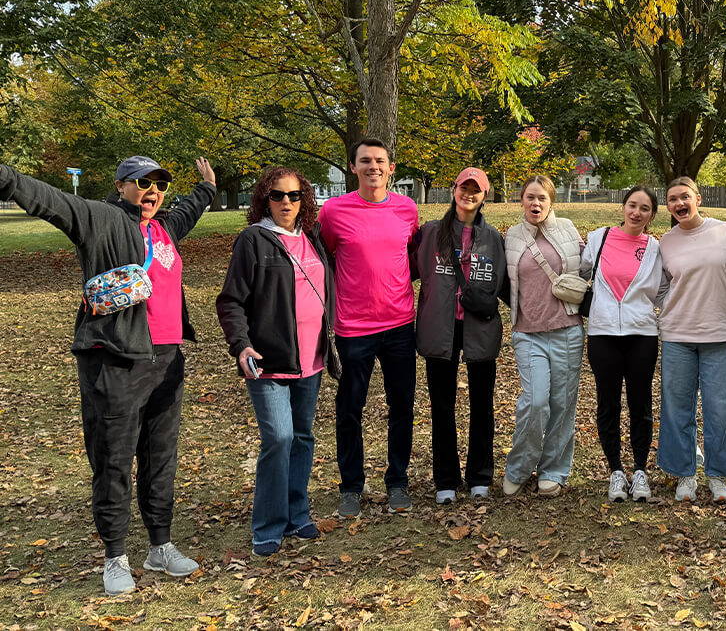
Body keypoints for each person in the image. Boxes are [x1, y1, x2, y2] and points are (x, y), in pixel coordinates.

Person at [0, 156, 215, 595]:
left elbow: (188, 210)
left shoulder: (164, 228)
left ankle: (160, 546)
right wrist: (6, 178)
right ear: (121, 186)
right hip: (116, 359)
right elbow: (48, 200)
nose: (152, 189)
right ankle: (115, 555)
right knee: (113, 459)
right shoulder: (100, 219)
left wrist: (207, 188)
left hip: (167, 360)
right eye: (142, 182)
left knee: (160, 458)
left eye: (159, 183)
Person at [217, 167, 341, 557]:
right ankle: (268, 524)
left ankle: (296, 514)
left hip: (312, 358)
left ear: (304, 199)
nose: (286, 202)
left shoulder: (312, 237)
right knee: (279, 439)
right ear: (264, 200)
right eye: (277, 195)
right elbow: (231, 300)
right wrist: (241, 345)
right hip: (269, 360)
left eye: (293, 195)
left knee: (302, 437)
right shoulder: (254, 240)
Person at [317, 138, 418, 518]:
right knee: (349, 410)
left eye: (380, 161)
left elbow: (409, 254)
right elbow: (327, 256)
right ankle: (350, 487)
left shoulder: (407, 210)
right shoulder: (334, 211)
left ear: (391, 168)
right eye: (365, 161)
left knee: (401, 407)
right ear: (353, 167)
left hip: (399, 327)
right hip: (353, 328)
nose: (373, 166)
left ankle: (398, 482)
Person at [658, 177, 726, 502]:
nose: (679, 203)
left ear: (697, 197)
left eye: (685, 196)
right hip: (677, 335)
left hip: (719, 334)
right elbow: (659, 287)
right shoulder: (666, 242)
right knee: (677, 408)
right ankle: (685, 473)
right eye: (673, 199)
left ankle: (719, 475)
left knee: (722, 409)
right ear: (669, 206)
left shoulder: (724, 231)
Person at [413, 168, 508, 503]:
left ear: (484, 196)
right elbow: (404, 271)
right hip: (440, 328)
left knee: (482, 405)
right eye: (463, 187)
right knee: (442, 406)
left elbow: (508, 285)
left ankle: (480, 476)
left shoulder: (494, 239)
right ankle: (446, 481)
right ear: (454, 189)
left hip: (478, 330)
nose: (468, 194)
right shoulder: (431, 233)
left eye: (476, 190)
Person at [580, 186, 666, 502]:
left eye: (644, 208)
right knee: (608, 403)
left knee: (640, 404)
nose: (636, 213)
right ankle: (616, 471)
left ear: (652, 215)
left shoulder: (656, 248)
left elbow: (663, 291)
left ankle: (640, 471)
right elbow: (580, 272)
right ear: (623, 207)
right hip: (603, 334)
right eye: (632, 205)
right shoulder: (598, 239)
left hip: (642, 334)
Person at [502, 175, 585, 497]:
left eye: (542, 199)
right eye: (530, 197)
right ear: (522, 200)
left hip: (566, 330)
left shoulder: (566, 229)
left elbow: (588, 267)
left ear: (551, 202)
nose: (535, 204)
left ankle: (554, 469)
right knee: (535, 403)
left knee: (562, 405)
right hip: (528, 332)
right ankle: (520, 467)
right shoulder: (511, 236)